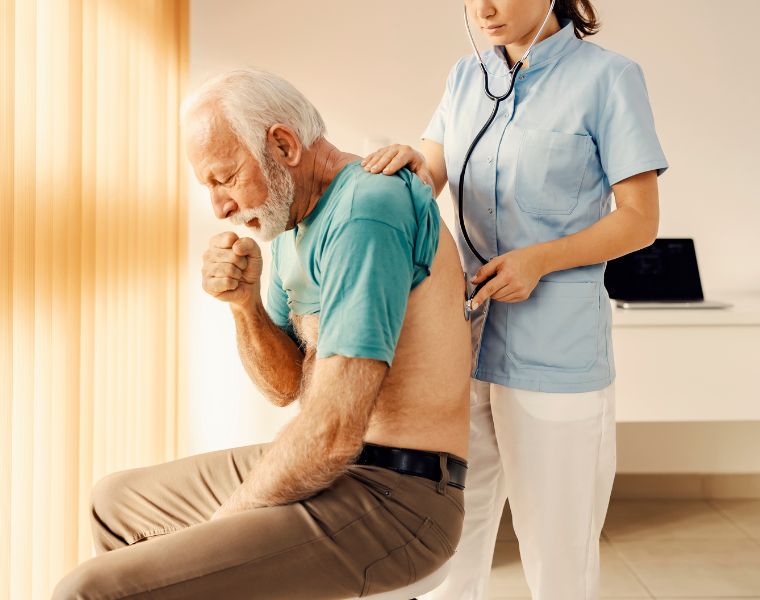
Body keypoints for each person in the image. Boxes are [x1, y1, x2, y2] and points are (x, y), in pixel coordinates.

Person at [52, 69, 471, 600]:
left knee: (88, 589)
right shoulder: (293, 221)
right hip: (339, 469)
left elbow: (332, 433)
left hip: (398, 501)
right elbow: (285, 387)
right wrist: (244, 305)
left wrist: (220, 527)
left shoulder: (368, 210)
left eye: (224, 178)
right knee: (113, 504)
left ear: (282, 144)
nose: (220, 208)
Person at [362, 1, 668, 598]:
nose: (485, 9)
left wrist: (539, 259)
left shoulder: (609, 78)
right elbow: (432, 174)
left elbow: (639, 221)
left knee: (557, 558)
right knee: (448, 542)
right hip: (461, 347)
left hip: (555, 355)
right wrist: (407, 168)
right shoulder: (464, 76)